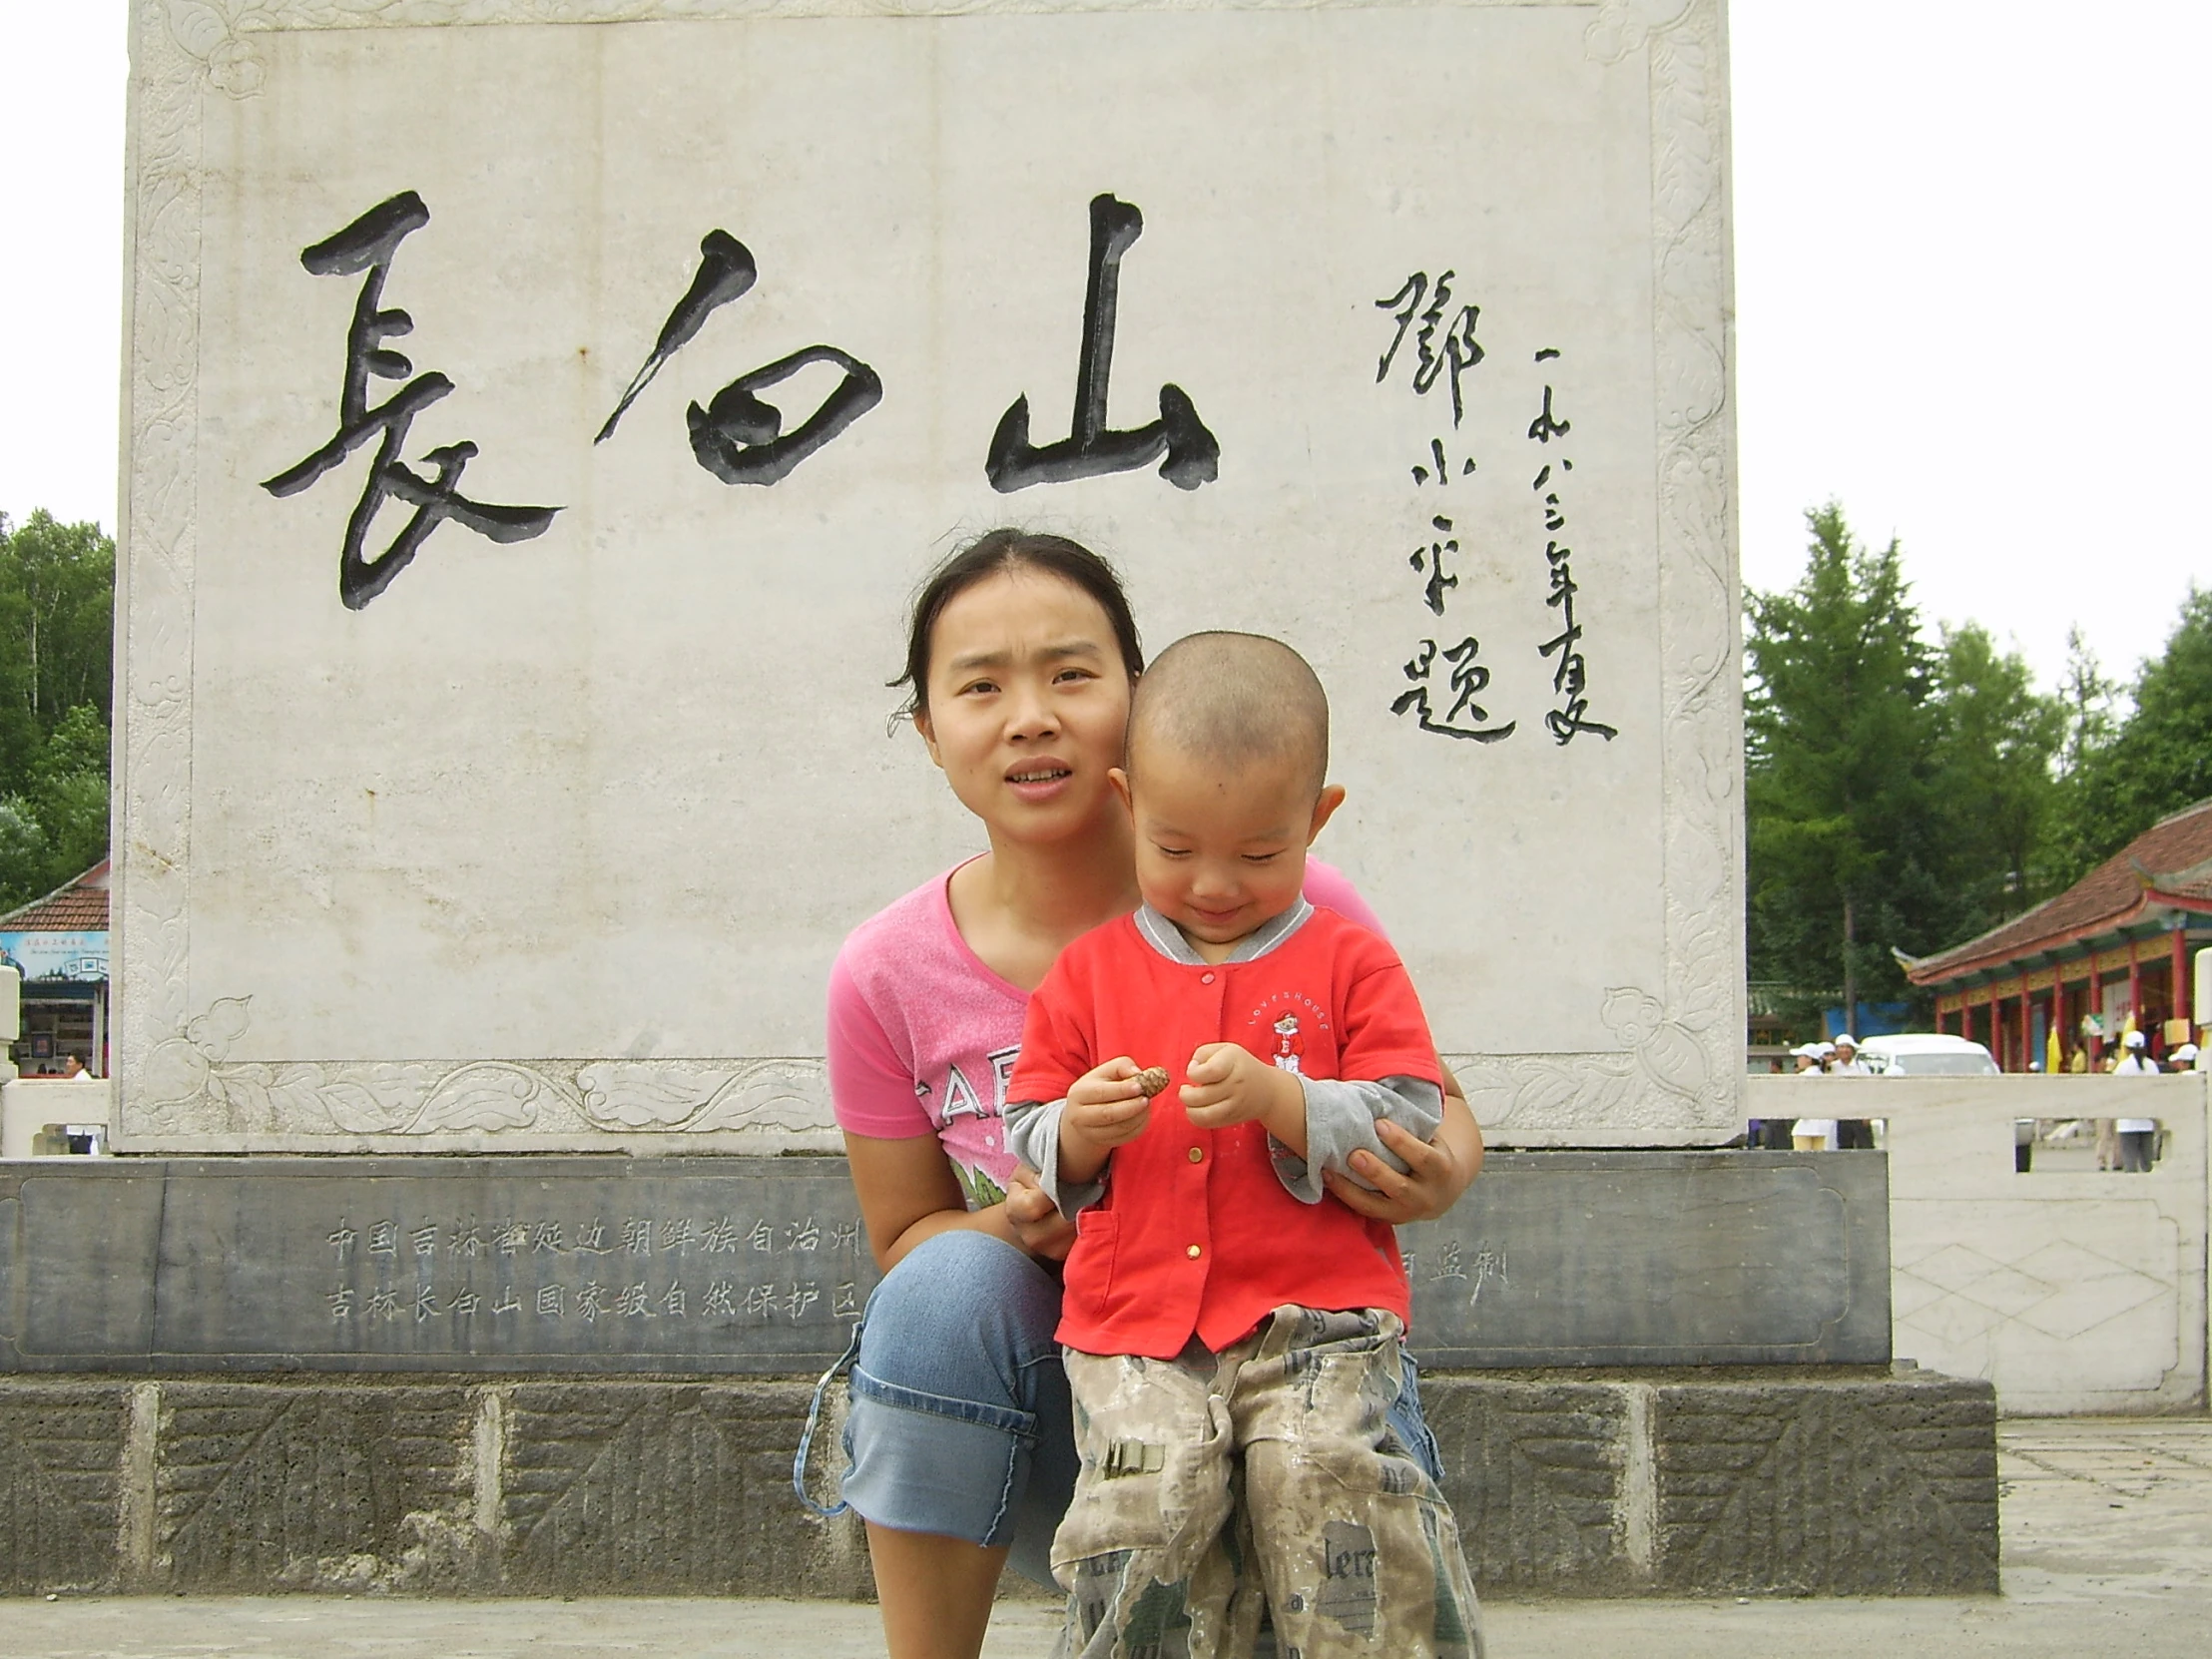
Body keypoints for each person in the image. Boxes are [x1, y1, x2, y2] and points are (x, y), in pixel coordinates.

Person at [811, 530, 1485, 1659]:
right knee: (939, 1289)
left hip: (1297, 1387)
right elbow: (905, 1236)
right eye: (980, 686)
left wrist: (1435, 1167)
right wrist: (1015, 1216)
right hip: (1081, 1400)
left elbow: (1433, 1108)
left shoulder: (1289, 903)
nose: (1030, 715)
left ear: (1134, 695)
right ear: (929, 731)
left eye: (1071, 674)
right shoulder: (884, 972)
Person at [1002, 633, 1481, 1657]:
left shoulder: (1351, 962)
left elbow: (1410, 1113)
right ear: (1127, 806)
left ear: (1317, 819)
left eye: (1259, 853)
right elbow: (1028, 1133)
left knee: (1330, 1488)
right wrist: (1077, 1131)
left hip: (1317, 1322)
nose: (1215, 884)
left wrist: (1284, 1099)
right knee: (1143, 1504)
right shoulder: (1085, 976)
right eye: (1174, 850)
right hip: (1134, 1325)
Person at [2112, 1030, 2159, 1172]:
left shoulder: (2123, 1067)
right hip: (2147, 1120)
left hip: (2127, 1121)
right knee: (2148, 1163)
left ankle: (2133, 1190)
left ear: (2126, 1048)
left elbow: (2114, 1090)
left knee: (2130, 1162)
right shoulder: (2151, 1066)